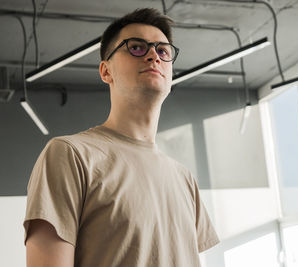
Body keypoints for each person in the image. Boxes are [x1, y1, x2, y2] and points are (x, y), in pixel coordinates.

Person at [24, 8, 219, 267]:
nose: (153, 55)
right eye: (136, 47)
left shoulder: (184, 179)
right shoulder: (70, 154)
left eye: (163, 51)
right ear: (106, 71)